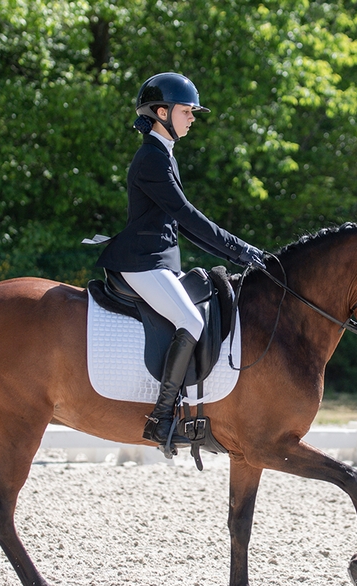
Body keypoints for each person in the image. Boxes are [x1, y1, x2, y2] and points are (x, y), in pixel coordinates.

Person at [96, 72, 266, 456]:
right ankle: (161, 417)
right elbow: (188, 216)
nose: (192, 118)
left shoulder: (163, 155)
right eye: (187, 111)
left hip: (157, 261)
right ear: (161, 111)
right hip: (142, 263)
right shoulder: (152, 160)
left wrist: (239, 253)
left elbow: (180, 224)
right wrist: (241, 251)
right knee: (191, 320)